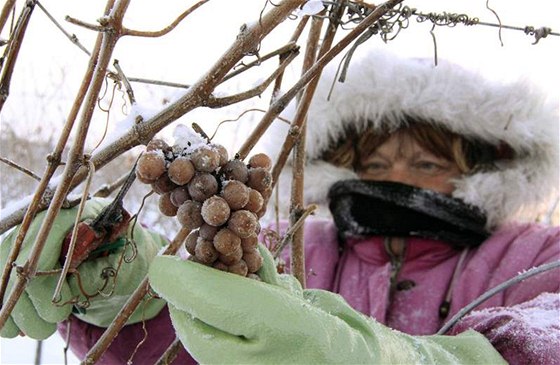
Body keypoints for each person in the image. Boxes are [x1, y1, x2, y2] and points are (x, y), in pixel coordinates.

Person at [1, 49, 558, 364]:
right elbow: (198, 344)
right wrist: (135, 295)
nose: (398, 180)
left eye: (428, 165)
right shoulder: (289, 244)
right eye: (375, 164)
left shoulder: (535, 256)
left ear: (478, 174)